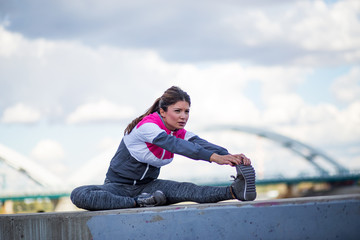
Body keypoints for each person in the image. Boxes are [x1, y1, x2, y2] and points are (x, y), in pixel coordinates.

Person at [70, 86, 256, 210]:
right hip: (118, 188)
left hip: (151, 188)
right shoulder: (147, 127)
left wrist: (230, 156)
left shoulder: (177, 130)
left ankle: (235, 191)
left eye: (187, 111)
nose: (184, 116)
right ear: (162, 112)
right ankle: (138, 203)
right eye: (178, 111)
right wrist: (214, 158)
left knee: (189, 190)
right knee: (79, 194)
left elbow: (201, 143)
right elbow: (176, 145)